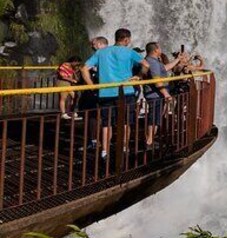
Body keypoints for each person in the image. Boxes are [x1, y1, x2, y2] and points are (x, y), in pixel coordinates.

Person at [81, 29, 149, 158]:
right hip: (126, 91)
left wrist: (92, 87)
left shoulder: (101, 52)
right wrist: (139, 76)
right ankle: (124, 147)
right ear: (126, 39)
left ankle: (105, 151)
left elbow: (84, 69)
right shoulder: (130, 52)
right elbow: (146, 64)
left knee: (106, 123)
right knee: (125, 122)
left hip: (105, 92)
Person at [143, 42, 180, 148]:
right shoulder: (152, 62)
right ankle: (149, 141)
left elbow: (165, 68)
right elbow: (156, 79)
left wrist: (177, 59)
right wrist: (166, 94)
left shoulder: (154, 61)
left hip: (157, 94)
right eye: (160, 48)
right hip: (155, 94)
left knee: (156, 117)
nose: (161, 49)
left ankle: (150, 140)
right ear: (155, 50)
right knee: (153, 117)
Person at [56, 56, 83, 120]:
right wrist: (72, 80)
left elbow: (73, 74)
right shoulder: (63, 65)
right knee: (63, 98)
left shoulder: (71, 67)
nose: (77, 65)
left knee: (75, 96)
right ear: (74, 62)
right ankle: (63, 113)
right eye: (77, 63)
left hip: (68, 84)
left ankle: (71, 112)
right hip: (63, 83)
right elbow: (63, 76)